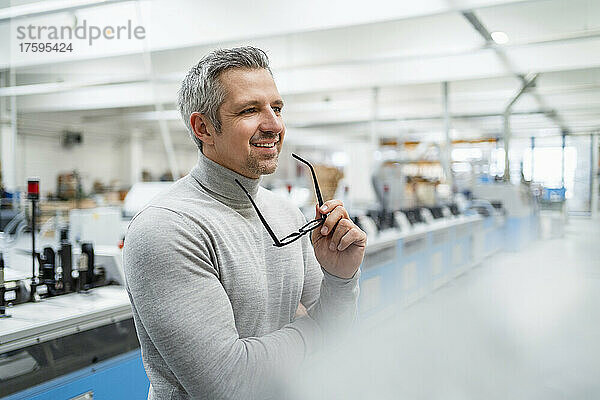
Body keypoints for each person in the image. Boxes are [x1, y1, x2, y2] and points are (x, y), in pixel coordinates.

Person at [123, 46, 367, 400]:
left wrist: (341, 279)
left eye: (277, 108)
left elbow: (340, 340)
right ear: (203, 127)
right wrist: (315, 329)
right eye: (250, 110)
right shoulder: (166, 229)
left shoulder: (287, 214)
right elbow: (229, 383)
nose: (274, 125)